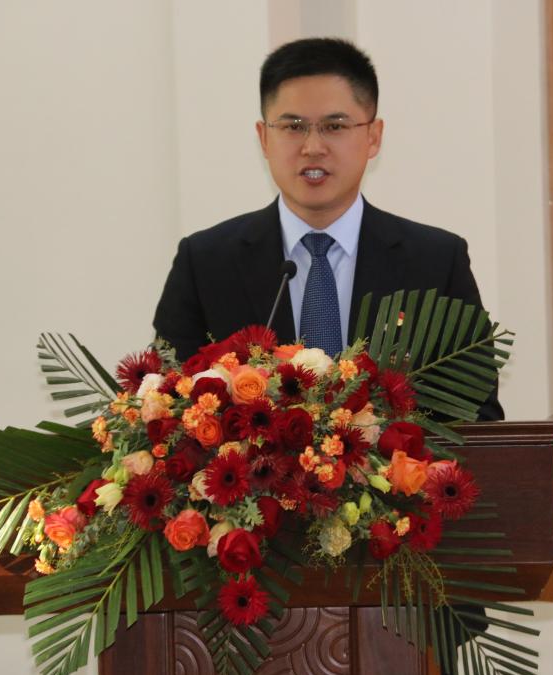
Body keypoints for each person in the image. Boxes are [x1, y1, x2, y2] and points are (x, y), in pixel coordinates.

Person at [153, 36, 502, 419]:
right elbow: (167, 410)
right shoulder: (206, 264)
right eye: (293, 126)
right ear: (264, 138)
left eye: (334, 126)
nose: (313, 146)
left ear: (373, 136)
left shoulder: (435, 262)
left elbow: (477, 416)